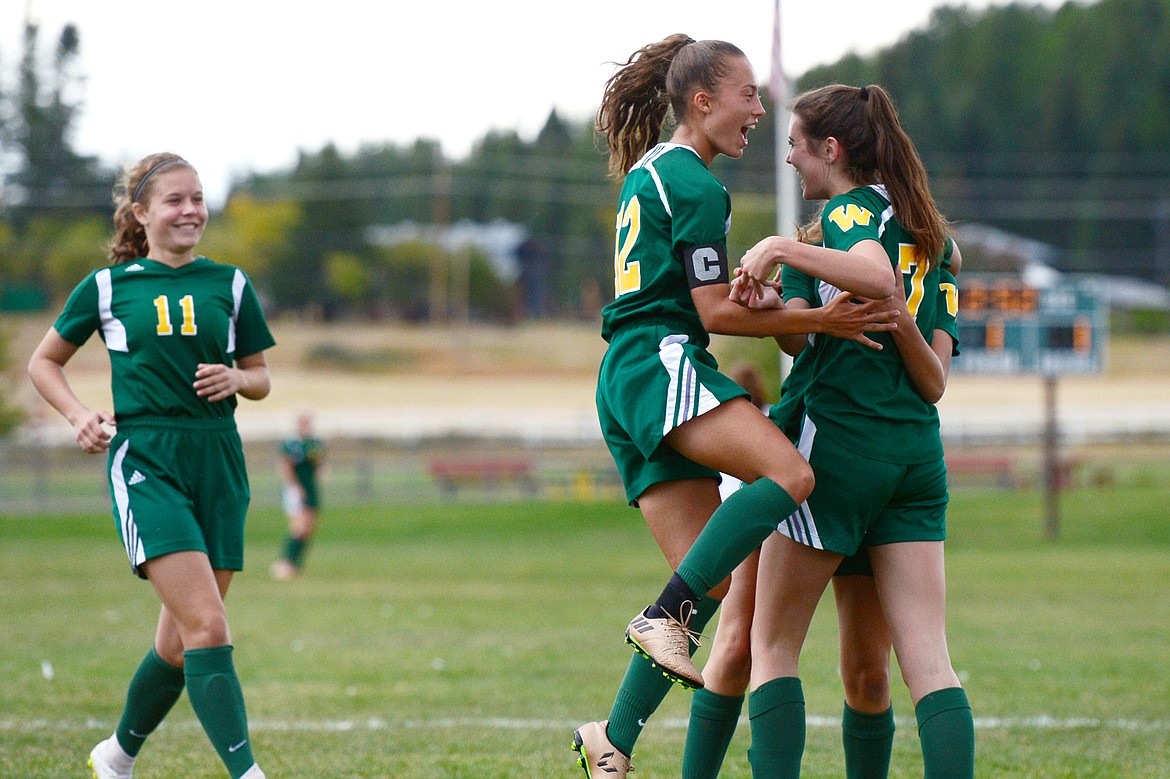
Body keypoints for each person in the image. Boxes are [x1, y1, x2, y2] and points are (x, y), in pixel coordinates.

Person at [572, 35, 900, 779]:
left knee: (707, 576)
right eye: (749, 95)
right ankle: (660, 615)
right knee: (789, 474)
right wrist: (819, 319)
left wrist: (759, 301)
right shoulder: (695, 182)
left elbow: (712, 297)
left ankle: (612, 739)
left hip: (624, 374)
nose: (759, 110)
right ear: (702, 100)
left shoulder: (650, 170)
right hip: (659, 361)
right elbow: (713, 314)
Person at [730, 83, 972, 777]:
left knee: (771, 646)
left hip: (836, 449)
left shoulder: (851, 212)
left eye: (797, 145)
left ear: (831, 150)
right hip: (913, 460)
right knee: (917, 662)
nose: (789, 159)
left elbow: (871, 277)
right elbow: (929, 381)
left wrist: (776, 244)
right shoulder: (934, 240)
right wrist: (781, 301)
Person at [27, 152, 274, 779]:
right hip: (147, 460)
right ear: (140, 213)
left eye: (197, 198)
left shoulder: (231, 283)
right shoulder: (109, 287)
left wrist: (238, 376)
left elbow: (263, 378)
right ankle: (249, 775)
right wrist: (80, 414)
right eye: (175, 200)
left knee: (178, 640)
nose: (190, 210)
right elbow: (43, 362)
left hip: (218, 458)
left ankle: (114, 758)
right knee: (208, 627)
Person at [271, 408, 328, 580]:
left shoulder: (315, 443)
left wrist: (321, 471)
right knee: (299, 526)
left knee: (309, 528)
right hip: (298, 489)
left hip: (311, 488)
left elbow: (319, 462)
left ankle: (296, 564)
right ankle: (284, 562)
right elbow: (285, 466)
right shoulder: (292, 444)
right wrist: (295, 486)